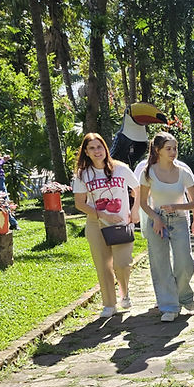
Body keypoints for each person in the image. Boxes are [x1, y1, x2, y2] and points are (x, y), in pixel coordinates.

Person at [71, 132, 141, 318]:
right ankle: (109, 304)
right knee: (103, 266)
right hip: (96, 223)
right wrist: (102, 214)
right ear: (85, 151)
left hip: (122, 222)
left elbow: (137, 188)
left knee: (123, 264)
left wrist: (135, 211)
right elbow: (80, 203)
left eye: (99, 146)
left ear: (105, 148)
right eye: (92, 148)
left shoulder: (121, 168)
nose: (96, 151)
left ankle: (124, 292)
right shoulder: (82, 175)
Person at [139, 132, 194, 322]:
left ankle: (183, 295)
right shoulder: (148, 173)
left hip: (179, 220)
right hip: (156, 221)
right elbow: (143, 203)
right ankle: (169, 306)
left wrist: (177, 207)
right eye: (169, 149)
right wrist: (155, 218)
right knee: (160, 265)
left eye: (175, 148)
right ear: (158, 150)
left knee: (185, 263)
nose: (173, 152)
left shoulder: (184, 173)